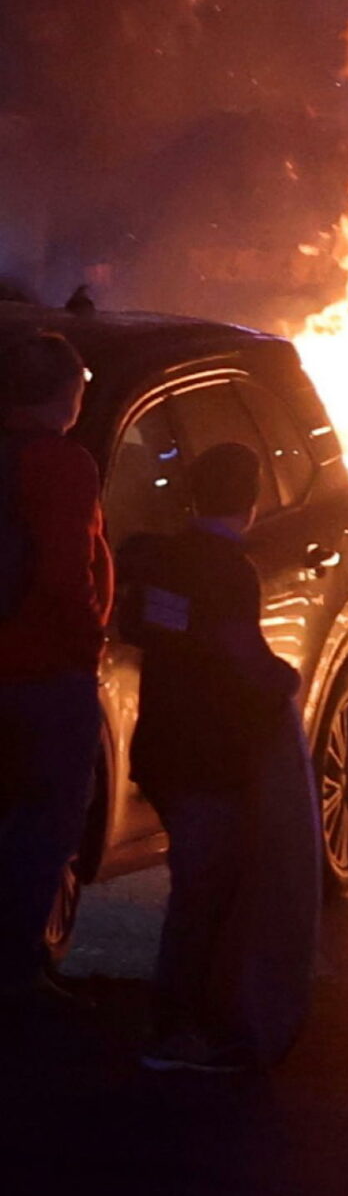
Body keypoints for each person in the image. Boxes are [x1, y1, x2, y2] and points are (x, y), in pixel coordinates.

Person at [115, 442, 297, 1071]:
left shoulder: (165, 558)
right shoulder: (228, 569)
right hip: (207, 756)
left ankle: (180, 1018)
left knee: (198, 886)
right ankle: (174, 1031)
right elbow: (240, 652)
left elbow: (142, 628)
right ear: (250, 502)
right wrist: (285, 682)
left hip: (162, 744)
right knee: (203, 893)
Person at [0, 329, 110, 1006]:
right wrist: (92, 637)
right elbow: (68, 574)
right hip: (44, 674)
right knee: (46, 823)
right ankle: (16, 970)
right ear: (67, 393)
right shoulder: (62, 465)